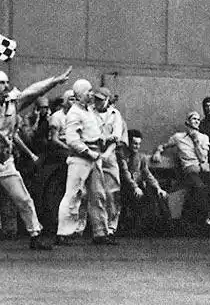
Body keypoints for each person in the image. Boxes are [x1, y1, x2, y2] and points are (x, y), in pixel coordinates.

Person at [0, 44, 70, 250]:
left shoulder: (12, 103)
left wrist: (53, 82)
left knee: (23, 199)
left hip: (6, 163)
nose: (6, 86)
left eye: (7, 82)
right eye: (2, 83)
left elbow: (33, 91)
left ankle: (35, 235)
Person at [57, 78, 113, 244]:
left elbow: (91, 133)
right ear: (80, 94)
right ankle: (64, 233)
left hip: (93, 157)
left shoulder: (88, 111)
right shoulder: (74, 113)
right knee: (73, 195)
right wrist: (89, 153)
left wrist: (103, 139)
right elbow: (72, 140)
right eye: (88, 91)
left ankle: (100, 232)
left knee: (98, 195)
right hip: (80, 160)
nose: (91, 94)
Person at [162, 111, 210, 232]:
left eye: (198, 119)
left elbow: (203, 158)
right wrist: (157, 152)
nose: (197, 121)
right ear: (187, 122)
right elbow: (163, 146)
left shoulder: (204, 138)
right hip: (189, 171)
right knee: (200, 188)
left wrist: (196, 141)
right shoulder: (178, 137)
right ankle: (205, 221)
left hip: (203, 171)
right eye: (194, 119)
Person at [93, 87, 126, 237]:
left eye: (101, 100)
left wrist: (106, 153)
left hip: (109, 155)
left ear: (107, 100)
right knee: (91, 193)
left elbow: (116, 136)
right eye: (96, 99)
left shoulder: (115, 114)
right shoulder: (89, 111)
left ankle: (111, 228)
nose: (97, 102)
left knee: (112, 193)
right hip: (93, 153)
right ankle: (84, 228)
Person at [119, 129, 167, 232]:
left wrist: (158, 188)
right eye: (134, 143)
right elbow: (125, 173)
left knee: (157, 194)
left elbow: (147, 174)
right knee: (137, 196)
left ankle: (159, 228)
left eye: (139, 144)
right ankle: (134, 227)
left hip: (138, 186)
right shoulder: (121, 155)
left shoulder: (141, 157)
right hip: (124, 186)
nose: (137, 146)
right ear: (128, 143)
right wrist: (135, 187)